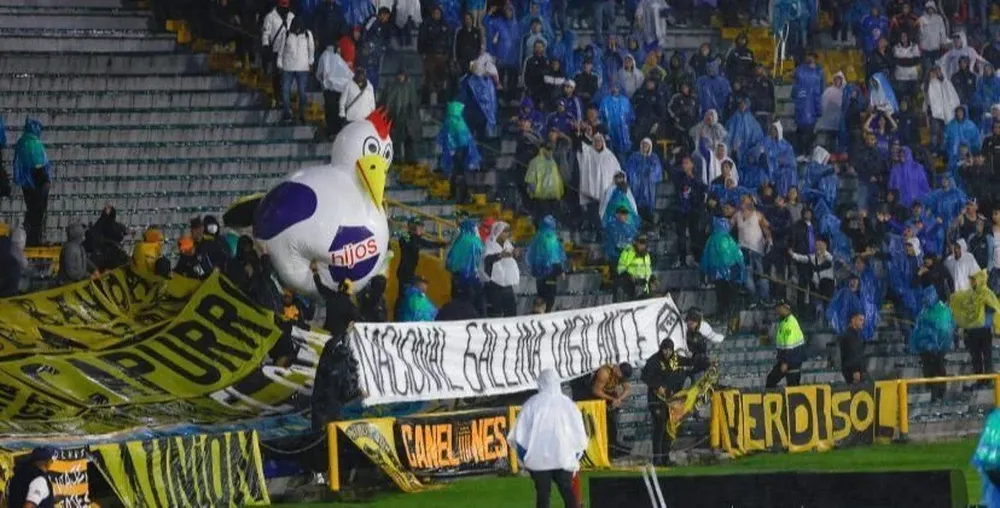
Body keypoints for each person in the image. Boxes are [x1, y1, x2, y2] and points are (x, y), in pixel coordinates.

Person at [507, 369, 587, 508]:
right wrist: (575, 454)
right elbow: (578, 432)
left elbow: (520, 434)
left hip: (539, 459)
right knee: (567, 491)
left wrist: (524, 457)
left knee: (543, 494)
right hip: (563, 457)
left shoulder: (532, 403)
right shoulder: (568, 404)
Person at [641, 339, 691, 467]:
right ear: (661, 349)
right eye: (665, 349)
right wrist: (657, 386)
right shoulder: (654, 360)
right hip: (656, 401)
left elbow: (678, 375)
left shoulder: (674, 360)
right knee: (659, 427)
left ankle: (665, 457)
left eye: (669, 350)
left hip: (671, 400)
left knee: (669, 428)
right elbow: (645, 377)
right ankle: (657, 458)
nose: (667, 352)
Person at [950, 270, 1000, 385]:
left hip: (983, 329)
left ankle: (988, 379)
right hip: (972, 330)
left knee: (986, 355)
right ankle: (980, 379)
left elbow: (994, 308)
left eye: (973, 280)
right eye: (971, 280)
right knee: (976, 356)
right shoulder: (969, 294)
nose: (972, 282)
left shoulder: (986, 293)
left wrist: (983, 308)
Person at [12, 118, 50, 247]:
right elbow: (41, 165)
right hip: (37, 182)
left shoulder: (21, 142)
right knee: (37, 213)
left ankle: (31, 239)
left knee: (32, 211)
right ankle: (34, 240)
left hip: (27, 183)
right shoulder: (34, 143)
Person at [438, 101, 483, 204]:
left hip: (459, 152)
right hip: (459, 152)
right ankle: (458, 195)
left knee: (458, 174)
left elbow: (456, 140)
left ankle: (461, 196)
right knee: (457, 174)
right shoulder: (458, 122)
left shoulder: (454, 122)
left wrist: (453, 150)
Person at [586, 362, 633, 459]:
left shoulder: (621, 375)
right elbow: (595, 390)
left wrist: (619, 399)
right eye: (621, 376)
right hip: (598, 396)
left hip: (611, 395)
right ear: (617, 370)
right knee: (601, 425)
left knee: (612, 424)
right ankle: (603, 449)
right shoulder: (605, 372)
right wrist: (612, 399)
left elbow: (628, 389)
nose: (621, 379)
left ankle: (613, 448)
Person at [396, 218, 447, 303]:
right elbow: (425, 243)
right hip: (405, 272)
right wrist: (442, 244)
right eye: (420, 227)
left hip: (407, 271)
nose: (422, 230)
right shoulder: (410, 238)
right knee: (404, 297)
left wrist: (442, 245)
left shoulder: (411, 238)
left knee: (404, 296)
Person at [277, 16, 315, 123]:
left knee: (302, 92)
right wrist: (279, 64)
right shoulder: (287, 34)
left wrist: (311, 62)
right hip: (288, 67)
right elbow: (281, 50)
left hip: (302, 68)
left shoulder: (308, 34)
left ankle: (302, 113)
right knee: (285, 90)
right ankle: (287, 113)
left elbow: (311, 49)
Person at [526, 215, 566, 312]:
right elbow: (555, 257)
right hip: (550, 273)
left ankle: (537, 315)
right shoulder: (551, 238)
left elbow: (530, 256)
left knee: (541, 297)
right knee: (549, 300)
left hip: (539, 274)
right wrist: (561, 270)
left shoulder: (537, 237)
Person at [380, 70, 420, 164]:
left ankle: (410, 160)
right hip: (397, 116)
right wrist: (388, 111)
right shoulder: (395, 86)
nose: (400, 77)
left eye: (402, 75)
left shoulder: (409, 87)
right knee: (397, 140)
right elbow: (389, 100)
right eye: (399, 75)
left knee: (408, 139)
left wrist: (413, 115)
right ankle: (396, 159)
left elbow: (413, 101)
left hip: (407, 117)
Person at [312, 262, 361, 337]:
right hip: (339, 337)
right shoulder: (351, 306)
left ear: (339, 287)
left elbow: (320, 286)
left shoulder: (331, 295)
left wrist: (315, 270)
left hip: (326, 333)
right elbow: (358, 320)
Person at [482, 221, 519, 317]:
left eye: (508, 231)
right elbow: (487, 260)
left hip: (507, 283)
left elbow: (513, 259)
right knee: (497, 313)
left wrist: (516, 254)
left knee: (511, 311)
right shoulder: (489, 244)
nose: (508, 234)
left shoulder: (508, 244)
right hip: (494, 284)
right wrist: (500, 255)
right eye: (505, 231)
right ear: (498, 232)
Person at [262, 0, 295, 109]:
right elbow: (265, 33)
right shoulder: (270, 17)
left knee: (287, 76)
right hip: (276, 51)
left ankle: (284, 97)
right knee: (277, 76)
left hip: (288, 51)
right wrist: (266, 46)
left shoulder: (292, 16)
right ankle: (277, 97)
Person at [765, 300, 806, 388]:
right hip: (787, 359)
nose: (777, 311)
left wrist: (785, 362)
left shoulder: (789, 323)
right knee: (771, 380)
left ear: (784, 308)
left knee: (793, 387)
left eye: (778, 308)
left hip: (792, 360)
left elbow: (789, 345)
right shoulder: (783, 321)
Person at [623, 138, 663, 222]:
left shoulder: (653, 157)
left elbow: (657, 169)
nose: (645, 146)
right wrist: (635, 176)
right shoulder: (634, 156)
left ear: (650, 146)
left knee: (649, 203)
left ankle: (649, 221)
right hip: (637, 185)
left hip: (649, 185)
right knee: (636, 203)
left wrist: (650, 173)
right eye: (643, 144)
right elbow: (630, 169)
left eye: (647, 145)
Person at [525, 143, 565, 222]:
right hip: (541, 199)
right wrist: (535, 193)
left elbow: (557, 178)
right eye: (548, 149)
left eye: (551, 150)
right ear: (543, 150)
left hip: (553, 198)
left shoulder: (552, 162)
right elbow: (530, 180)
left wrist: (560, 194)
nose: (550, 152)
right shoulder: (535, 162)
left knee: (553, 221)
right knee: (543, 221)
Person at [617, 234, 654, 301]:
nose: (643, 245)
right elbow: (621, 269)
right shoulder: (628, 252)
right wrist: (631, 278)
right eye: (641, 242)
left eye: (645, 242)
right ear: (636, 242)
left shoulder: (646, 255)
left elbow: (648, 270)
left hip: (643, 289)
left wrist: (652, 278)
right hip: (630, 289)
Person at [839, 312, 867, 384]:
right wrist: (855, 371)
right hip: (853, 375)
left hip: (857, 372)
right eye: (860, 320)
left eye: (863, 320)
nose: (862, 323)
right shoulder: (849, 336)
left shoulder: (856, 335)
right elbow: (852, 354)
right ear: (853, 320)